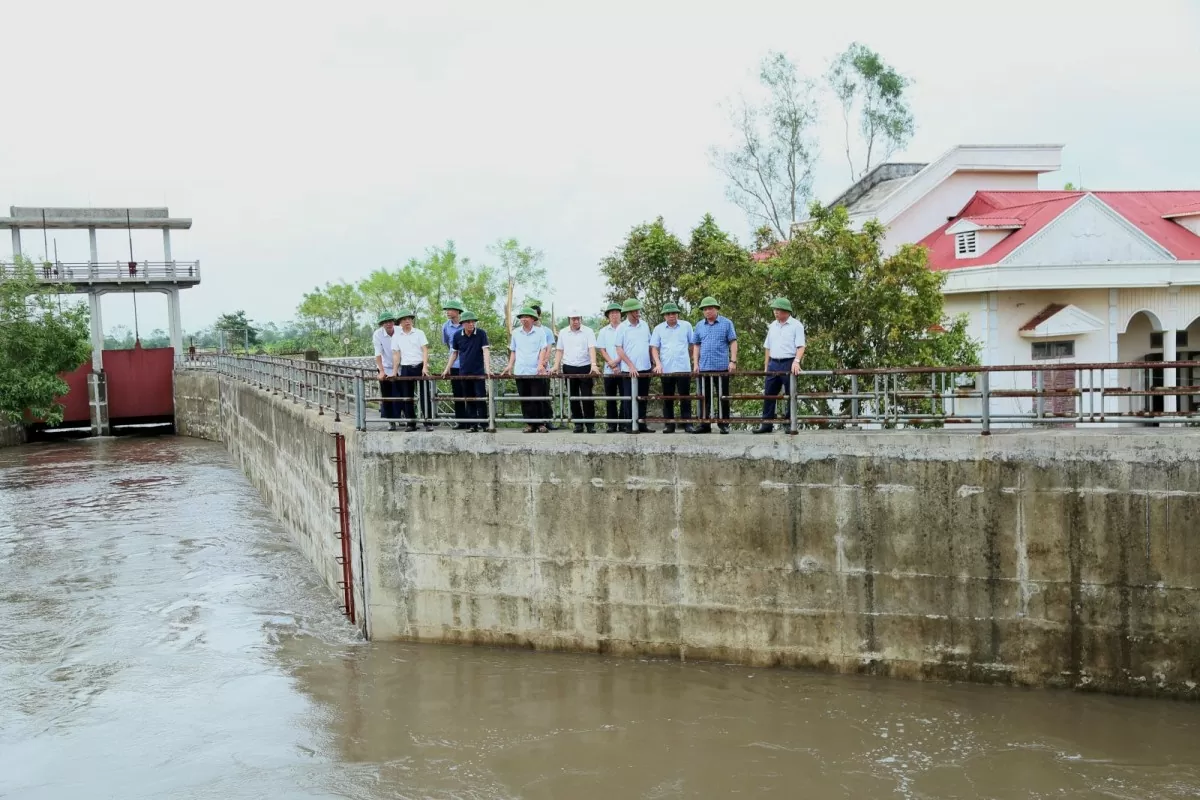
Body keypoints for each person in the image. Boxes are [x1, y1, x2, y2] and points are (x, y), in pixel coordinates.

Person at [756, 297, 805, 434]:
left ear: (786, 311)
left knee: (791, 394)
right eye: (775, 310)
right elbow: (768, 346)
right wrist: (766, 364)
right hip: (773, 363)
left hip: (788, 362)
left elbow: (801, 346)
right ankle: (766, 424)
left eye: (778, 310)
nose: (776, 312)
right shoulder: (772, 325)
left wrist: (796, 361)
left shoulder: (796, 325)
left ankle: (789, 423)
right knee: (769, 394)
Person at [690, 296, 738, 435]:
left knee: (723, 396)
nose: (708, 311)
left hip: (721, 366)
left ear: (716, 309)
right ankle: (704, 424)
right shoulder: (699, 325)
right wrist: (695, 363)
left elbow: (733, 342)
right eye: (705, 309)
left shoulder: (726, 323)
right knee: (704, 397)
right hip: (704, 367)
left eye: (710, 308)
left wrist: (733, 361)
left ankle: (724, 424)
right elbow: (696, 345)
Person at [501, 306, 550, 433]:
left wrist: (540, 364)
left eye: (527, 317)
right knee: (525, 398)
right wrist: (510, 365)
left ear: (533, 319)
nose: (524, 319)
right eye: (522, 317)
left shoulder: (540, 332)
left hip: (535, 371)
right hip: (521, 370)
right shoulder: (516, 333)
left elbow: (543, 349)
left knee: (537, 397)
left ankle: (540, 423)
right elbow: (513, 351)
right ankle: (530, 424)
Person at [651, 302, 696, 434]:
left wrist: (692, 360)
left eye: (674, 313)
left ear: (677, 314)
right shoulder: (658, 329)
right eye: (668, 314)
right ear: (664, 315)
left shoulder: (686, 326)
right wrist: (658, 364)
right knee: (668, 397)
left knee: (685, 397)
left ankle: (687, 423)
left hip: (683, 367)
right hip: (666, 368)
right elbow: (654, 348)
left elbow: (692, 344)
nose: (671, 316)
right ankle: (669, 424)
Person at [443, 310, 490, 431]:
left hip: (478, 371)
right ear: (463, 323)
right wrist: (447, 368)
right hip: (464, 371)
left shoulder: (481, 334)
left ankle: (484, 424)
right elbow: (454, 353)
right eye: (468, 322)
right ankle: (473, 424)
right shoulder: (457, 335)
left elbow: (485, 351)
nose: (471, 324)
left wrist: (488, 368)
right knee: (468, 398)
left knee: (480, 398)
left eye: (473, 322)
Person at [554, 308, 599, 433]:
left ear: (581, 319)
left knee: (587, 396)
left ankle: (590, 424)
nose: (575, 321)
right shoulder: (563, 332)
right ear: (569, 320)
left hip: (585, 366)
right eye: (573, 319)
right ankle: (578, 424)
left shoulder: (588, 332)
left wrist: (594, 364)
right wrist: (556, 365)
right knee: (573, 397)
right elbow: (559, 350)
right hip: (569, 367)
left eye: (578, 318)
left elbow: (591, 348)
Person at [391, 308, 433, 432]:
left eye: (409, 319)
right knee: (407, 396)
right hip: (406, 367)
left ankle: (428, 421)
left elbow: (425, 350)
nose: (407, 321)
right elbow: (396, 354)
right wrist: (394, 371)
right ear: (400, 322)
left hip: (419, 366)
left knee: (425, 394)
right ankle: (411, 422)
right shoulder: (397, 336)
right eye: (404, 319)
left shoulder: (419, 333)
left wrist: (425, 366)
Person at [615, 298, 652, 433]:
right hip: (628, 370)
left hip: (645, 367)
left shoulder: (645, 325)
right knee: (630, 399)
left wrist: (653, 362)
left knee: (643, 397)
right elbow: (619, 349)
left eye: (638, 310)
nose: (638, 313)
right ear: (629, 312)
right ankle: (630, 424)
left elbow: (649, 344)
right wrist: (630, 365)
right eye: (635, 310)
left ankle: (642, 423)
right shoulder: (622, 328)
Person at [525, 298, 558, 427]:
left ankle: (547, 420)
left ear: (538, 315)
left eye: (534, 314)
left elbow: (548, 349)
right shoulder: (525, 331)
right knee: (531, 396)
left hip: (543, 368)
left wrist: (543, 363)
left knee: (544, 395)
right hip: (529, 369)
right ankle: (534, 422)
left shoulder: (547, 331)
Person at [595, 302, 625, 433]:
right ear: (608, 316)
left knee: (625, 398)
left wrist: (617, 361)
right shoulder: (603, 331)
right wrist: (612, 364)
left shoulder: (626, 328)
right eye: (612, 313)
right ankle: (611, 425)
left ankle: (624, 423)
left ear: (620, 314)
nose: (614, 315)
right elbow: (602, 350)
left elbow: (627, 348)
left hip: (624, 368)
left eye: (617, 312)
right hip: (609, 370)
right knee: (610, 399)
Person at [441, 299, 467, 427]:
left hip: (468, 364)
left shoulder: (467, 324)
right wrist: (450, 364)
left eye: (450, 309)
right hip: (454, 364)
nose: (447, 312)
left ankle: (473, 421)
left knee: (470, 393)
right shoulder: (445, 326)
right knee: (457, 394)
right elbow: (448, 344)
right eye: (446, 310)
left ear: (457, 311)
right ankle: (461, 421)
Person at [373, 311, 401, 430]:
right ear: (382, 324)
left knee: (401, 394)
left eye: (390, 321)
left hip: (401, 366)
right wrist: (381, 371)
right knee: (387, 395)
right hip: (385, 366)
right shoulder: (378, 334)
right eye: (385, 322)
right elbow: (378, 354)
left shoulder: (400, 330)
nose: (389, 324)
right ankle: (391, 421)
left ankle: (402, 418)